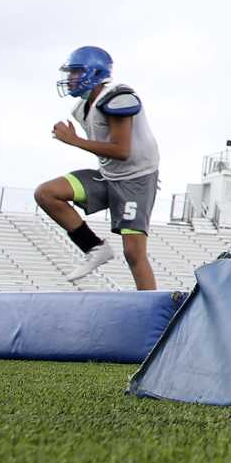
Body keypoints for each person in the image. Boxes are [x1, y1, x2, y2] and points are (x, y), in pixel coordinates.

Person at [34, 47, 160, 290]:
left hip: (136, 180)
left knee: (134, 253)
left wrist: (73, 140)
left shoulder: (118, 99)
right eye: (70, 72)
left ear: (95, 72)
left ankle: (153, 309)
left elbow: (122, 151)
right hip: (109, 175)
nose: (70, 78)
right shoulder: (81, 108)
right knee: (46, 193)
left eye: (76, 71)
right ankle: (94, 247)